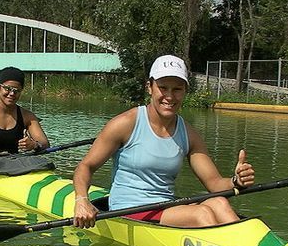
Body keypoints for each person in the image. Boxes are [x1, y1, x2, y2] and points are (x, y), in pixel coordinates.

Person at [73, 54, 255, 229]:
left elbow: (214, 183)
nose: (169, 96)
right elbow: (85, 167)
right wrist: (82, 200)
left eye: (177, 89)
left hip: (165, 208)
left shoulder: (189, 134)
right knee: (202, 214)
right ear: (149, 87)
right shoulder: (125, 124)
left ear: (185, 91)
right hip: (128, 209)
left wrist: (236, 181)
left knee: (219, 202)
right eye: (163, 87)